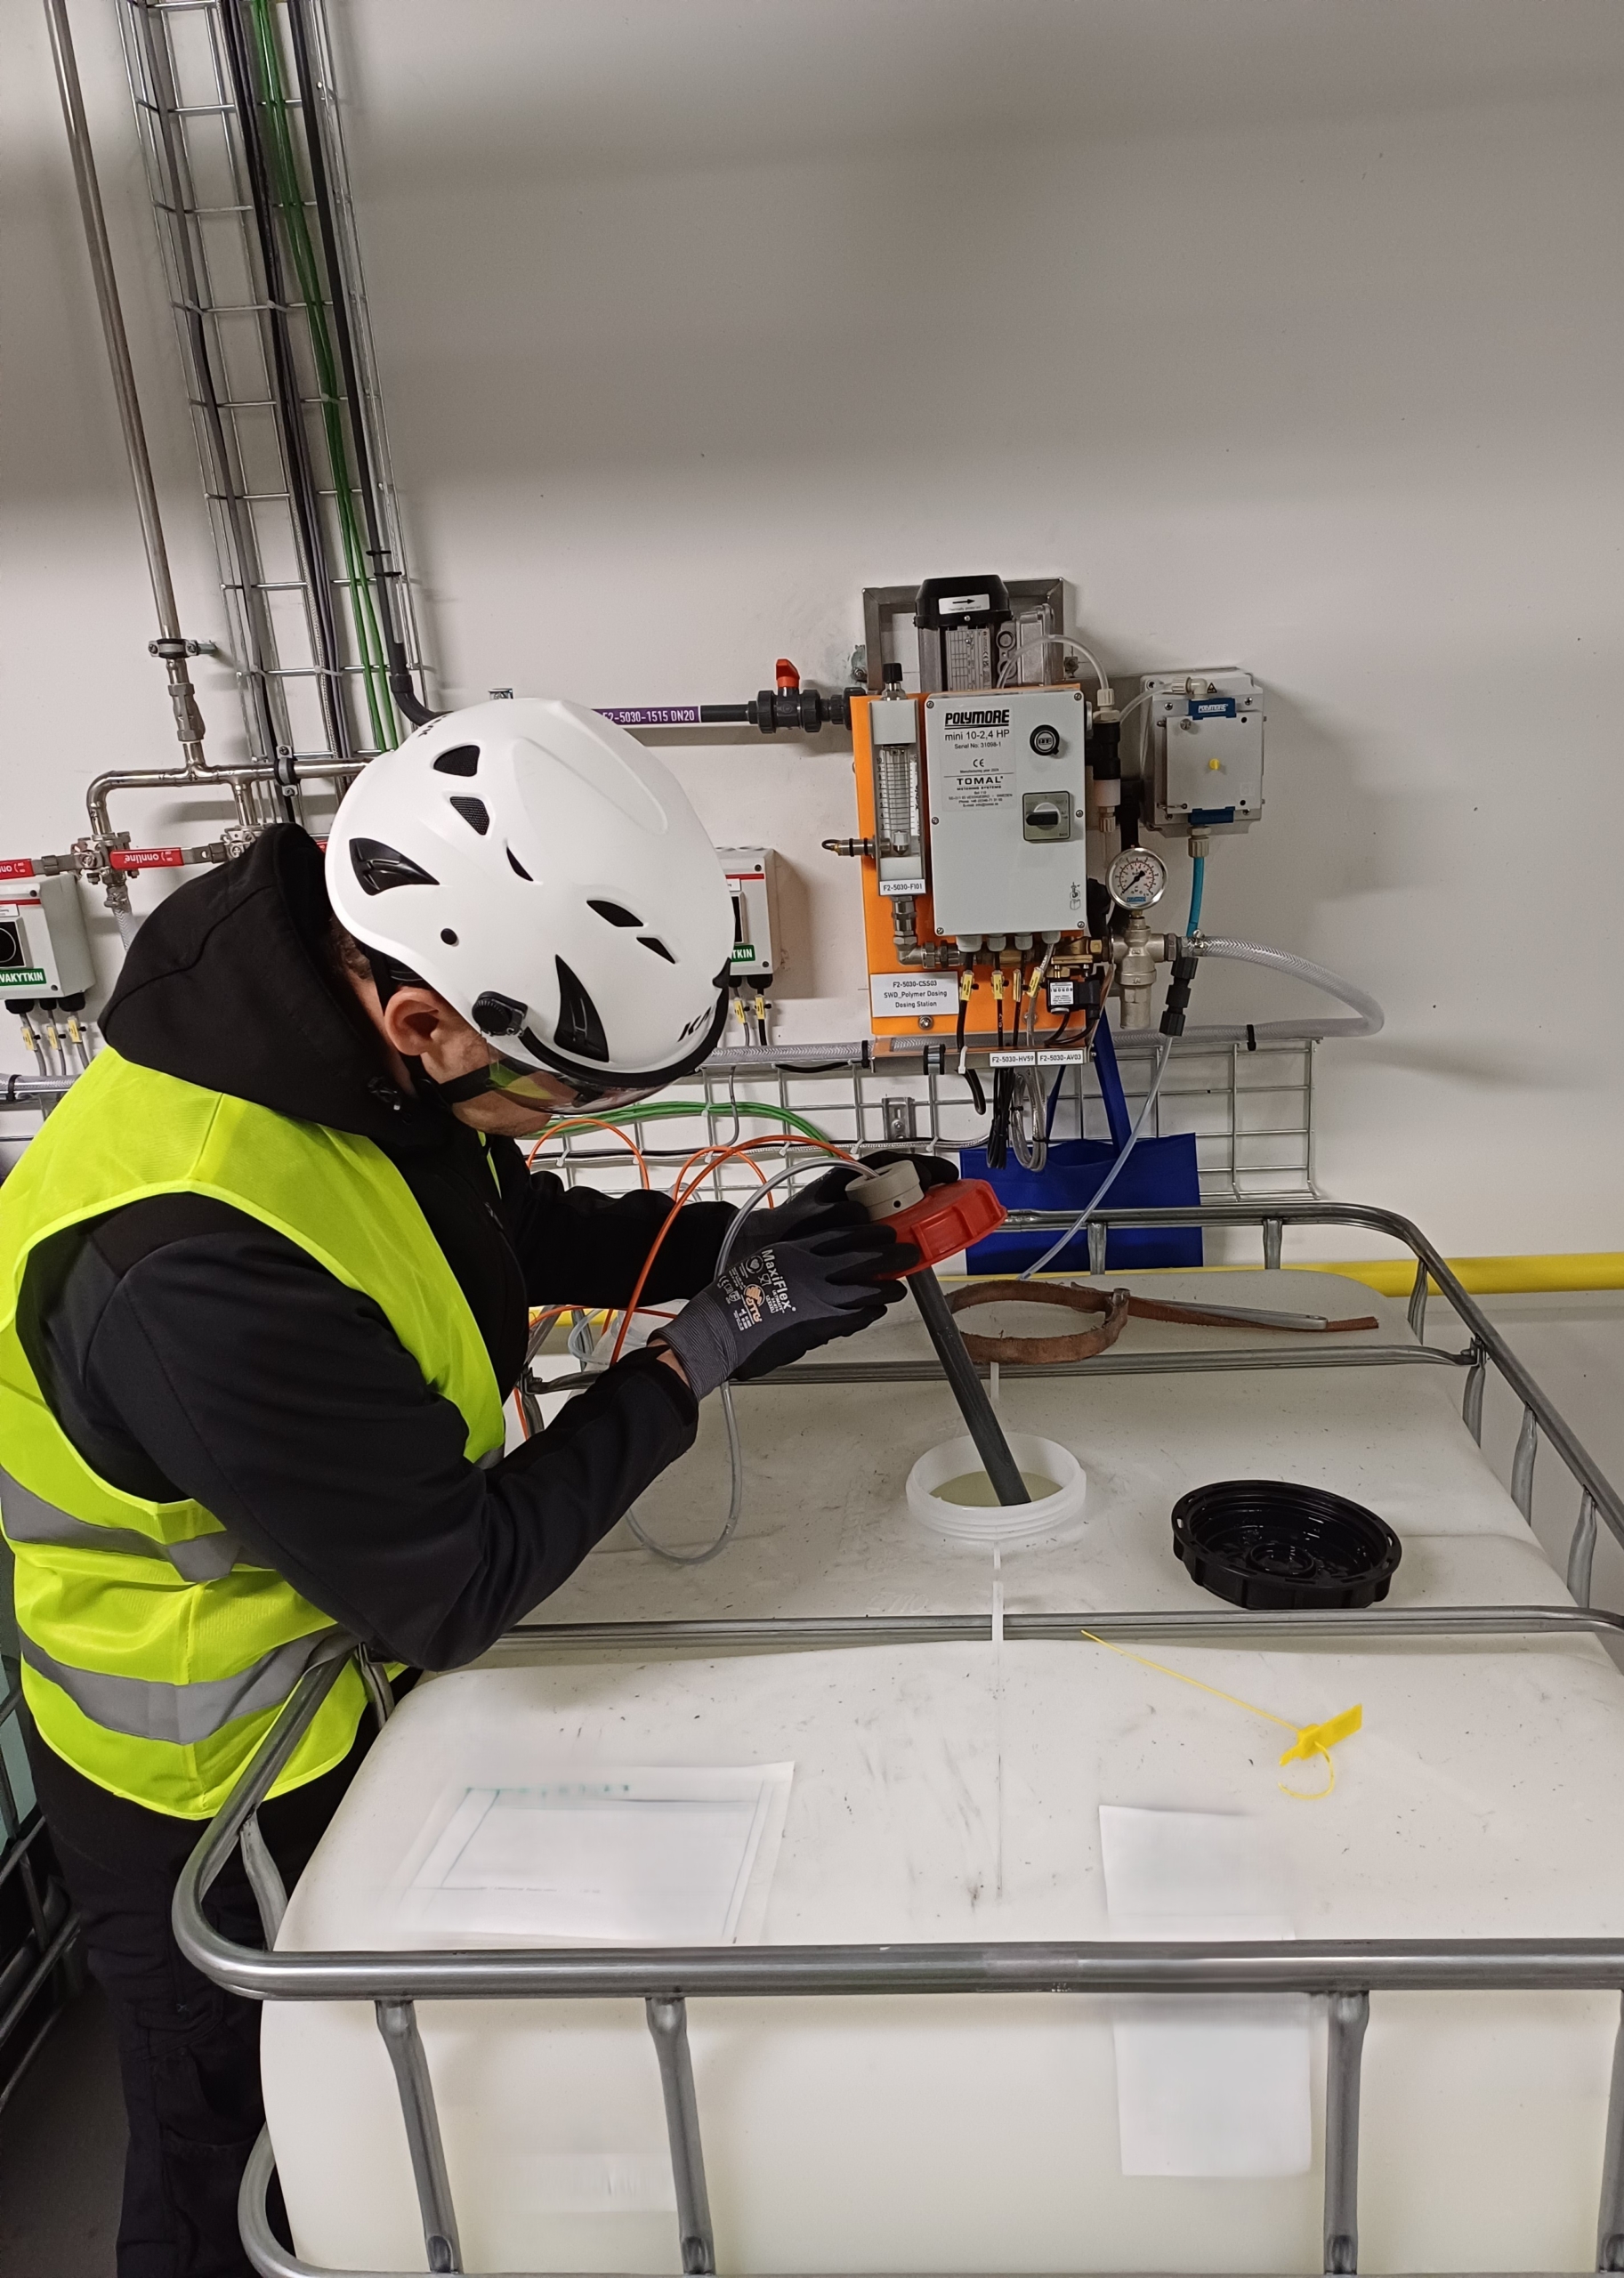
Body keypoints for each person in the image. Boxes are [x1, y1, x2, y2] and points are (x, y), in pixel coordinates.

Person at [0, 699, 936, 2278]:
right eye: (555, 1090)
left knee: (391, 2115)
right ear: (427, 1022)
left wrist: (731, 1255)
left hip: (344, 1680)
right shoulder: (191, 1259)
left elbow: (493, 1216)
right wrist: (710, 1352)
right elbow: (450, 1584)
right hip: (214, 1774)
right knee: (240, 2148)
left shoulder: (334, 1031)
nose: (561, 1125)